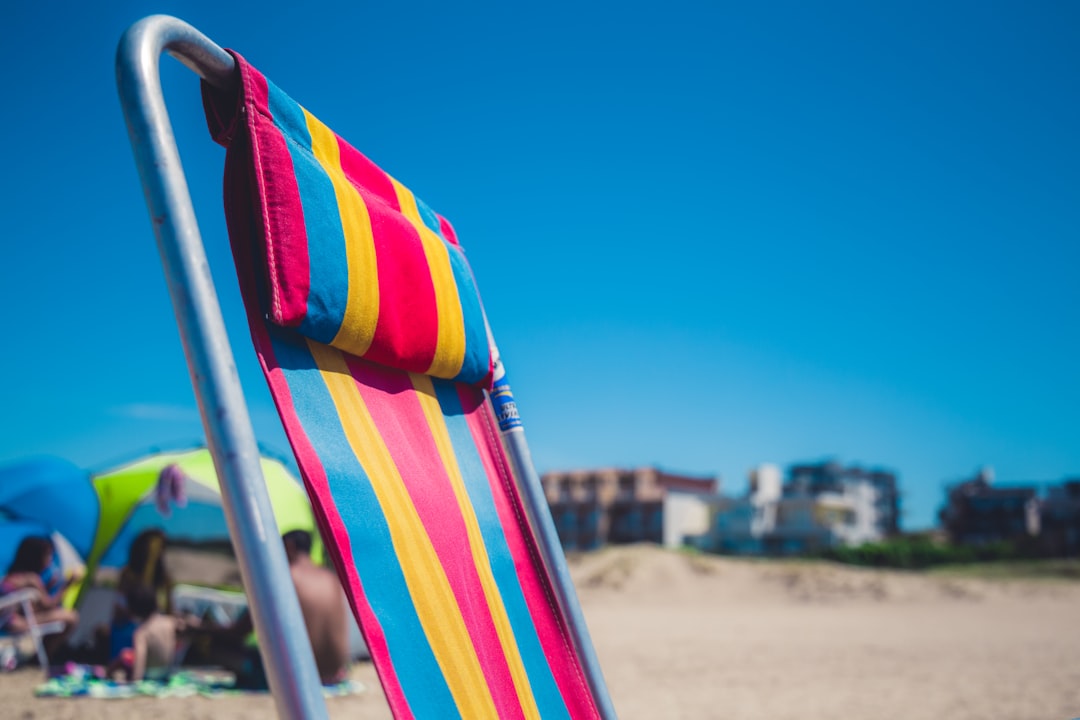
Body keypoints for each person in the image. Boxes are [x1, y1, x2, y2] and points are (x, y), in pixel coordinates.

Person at [206, 530, 349, 688]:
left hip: (298, 675)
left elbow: (241, 631)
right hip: (334, 673)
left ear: (289, 547)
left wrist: (198, 628)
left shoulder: (283, 578)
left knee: (217, 646)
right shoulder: (331, 578)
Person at [0, 536, 80, 657]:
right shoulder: (31, 579)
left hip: (7, 622)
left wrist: (47, 587)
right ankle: (42, 656)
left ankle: (39, 655)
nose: (50, 560)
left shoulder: (12, 576)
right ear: (36, 557)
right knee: (71, 617)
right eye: (48, 555)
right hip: (16, 623)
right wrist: (67, 585)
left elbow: (30, 605)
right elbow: (49, 605)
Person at [106, 584, 179, 682]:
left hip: (149, 674)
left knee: (124, 656)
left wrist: (135, 680)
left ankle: (107, 674)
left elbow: (140, 660)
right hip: (165, 673)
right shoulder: (170, 622)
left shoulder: (142, 632)